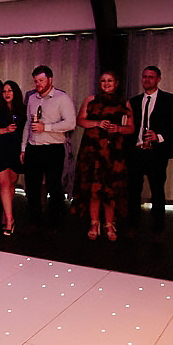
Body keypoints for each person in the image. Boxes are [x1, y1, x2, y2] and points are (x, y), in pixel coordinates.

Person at [74, 71, 134, 241]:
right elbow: (80, 121)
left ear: (116, 83)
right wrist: (98, 123)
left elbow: (131, 128)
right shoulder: (90, 100)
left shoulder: (125, 103)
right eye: (103, 81)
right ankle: (94, 222)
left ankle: (109, 223)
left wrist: (118, 129)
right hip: (92, 150)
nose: (106, 83)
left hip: (114, 151)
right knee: (94, 187)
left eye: (110, 81)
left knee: (111, 189)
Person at [126, 66, 173, 234]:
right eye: (144, 77)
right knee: (133, 190)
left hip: (157, 153)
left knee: (157, 191)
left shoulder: (170, 99)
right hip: (136, 152)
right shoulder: (133, 101)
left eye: (151, 77)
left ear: (158, 79)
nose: (147, 80)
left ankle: (158, 229)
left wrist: (159, 136)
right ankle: (132, 225)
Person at [20, 65, 76, 229]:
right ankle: (34, 221)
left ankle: (55, 223)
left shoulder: (62, 98)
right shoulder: (31, 98)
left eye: (41, 80)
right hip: (33, 147)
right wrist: (23, 147)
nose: (38, 84)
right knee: (32, 187)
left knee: (54, 186)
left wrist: (47, 127)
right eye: (36, 81)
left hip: (53, 148)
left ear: (50, 80)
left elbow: (71, 123)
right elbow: (28, 124)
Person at [0, 80, 26, 235]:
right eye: (4, 91)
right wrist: (5, 130)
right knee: (4, 183)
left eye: (10, 91)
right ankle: (10, 220)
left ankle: (6, 213)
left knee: (12, 183)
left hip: (15, 151)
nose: (7, 94)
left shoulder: (21, 110)